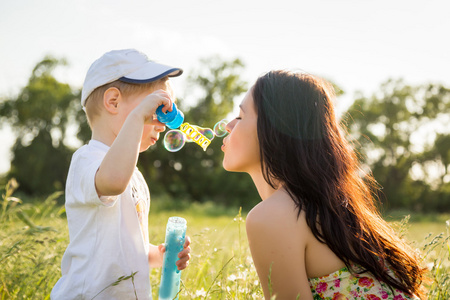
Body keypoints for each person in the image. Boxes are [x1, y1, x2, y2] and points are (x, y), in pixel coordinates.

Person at [221, 70, 425, 299]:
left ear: (273, 128)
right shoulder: (327, 205)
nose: (228, 125)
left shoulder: (272, 217)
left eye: (240, 116)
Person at [51, 49, 191, 300]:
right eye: (158, 107)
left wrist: (161, 255)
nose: (163, 123)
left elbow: (130, 248)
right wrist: (138, 116)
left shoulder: (134, 176)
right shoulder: (87, 159)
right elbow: (113, 182)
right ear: (113, 102)